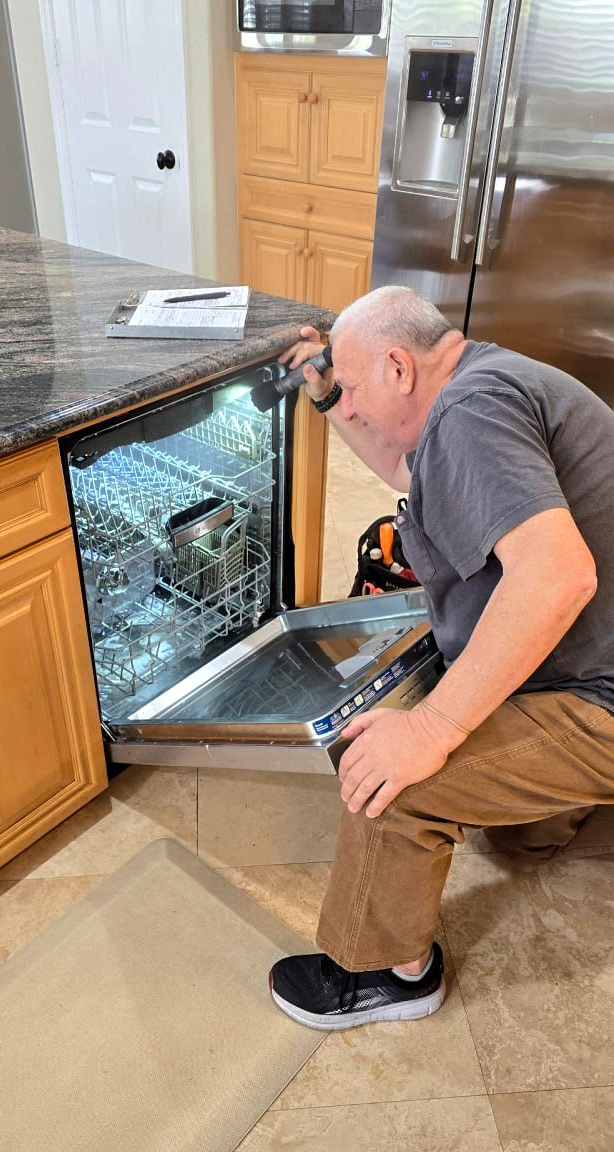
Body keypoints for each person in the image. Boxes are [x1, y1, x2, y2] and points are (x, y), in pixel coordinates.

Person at [268, 285, 614, 1031]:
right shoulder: (482, 380)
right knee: (520, 836)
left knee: (388, 780)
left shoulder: (469, 413)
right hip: (593, 662)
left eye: (355, 386)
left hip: (602, 693)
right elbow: (410, 474)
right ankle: (557, 817)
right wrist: (328, 401)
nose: (352, 407)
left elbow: (560, 576)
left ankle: (381, 974)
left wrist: (430, 730)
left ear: (399, 366)